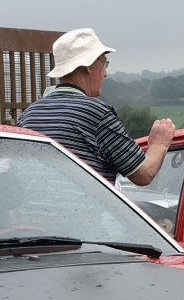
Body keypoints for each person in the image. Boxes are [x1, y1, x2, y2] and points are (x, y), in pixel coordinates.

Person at [16, 28, 175, 185]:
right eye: (103, 63)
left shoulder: (28, 114)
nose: (105, 73)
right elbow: (143, 174)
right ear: (89, 65)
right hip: (81, 211)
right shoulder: (97, 114)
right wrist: (159, 144)